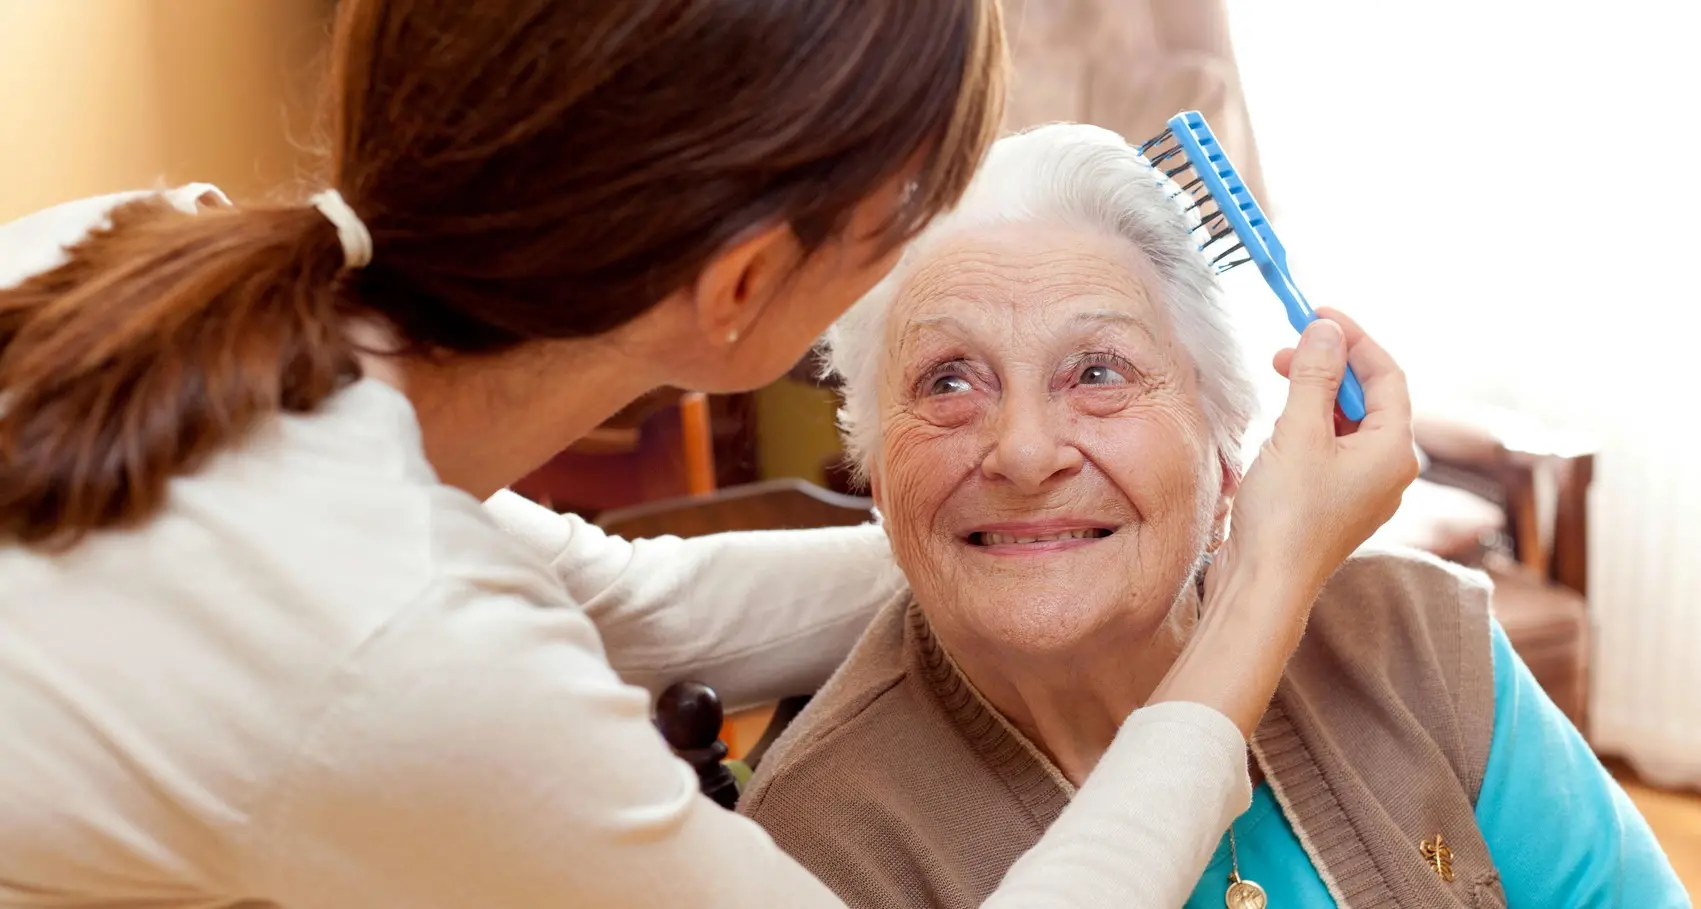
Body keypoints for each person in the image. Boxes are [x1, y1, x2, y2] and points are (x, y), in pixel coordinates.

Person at [0, 3, 1419, 908]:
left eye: (1097, 377)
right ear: (743, 293)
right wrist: (1259, 591)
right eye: (913, 210)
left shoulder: (126, 254)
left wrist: (1033, 530)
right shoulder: (404, 659)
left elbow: (636, 602)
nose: (1028, 440)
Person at [737, 123, 1689, 909]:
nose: (1024, 453)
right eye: (948, 381)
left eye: (1098, 371)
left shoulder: (1421, 639)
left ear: (1226, 440)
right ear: (872, 463)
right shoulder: (813, 850)